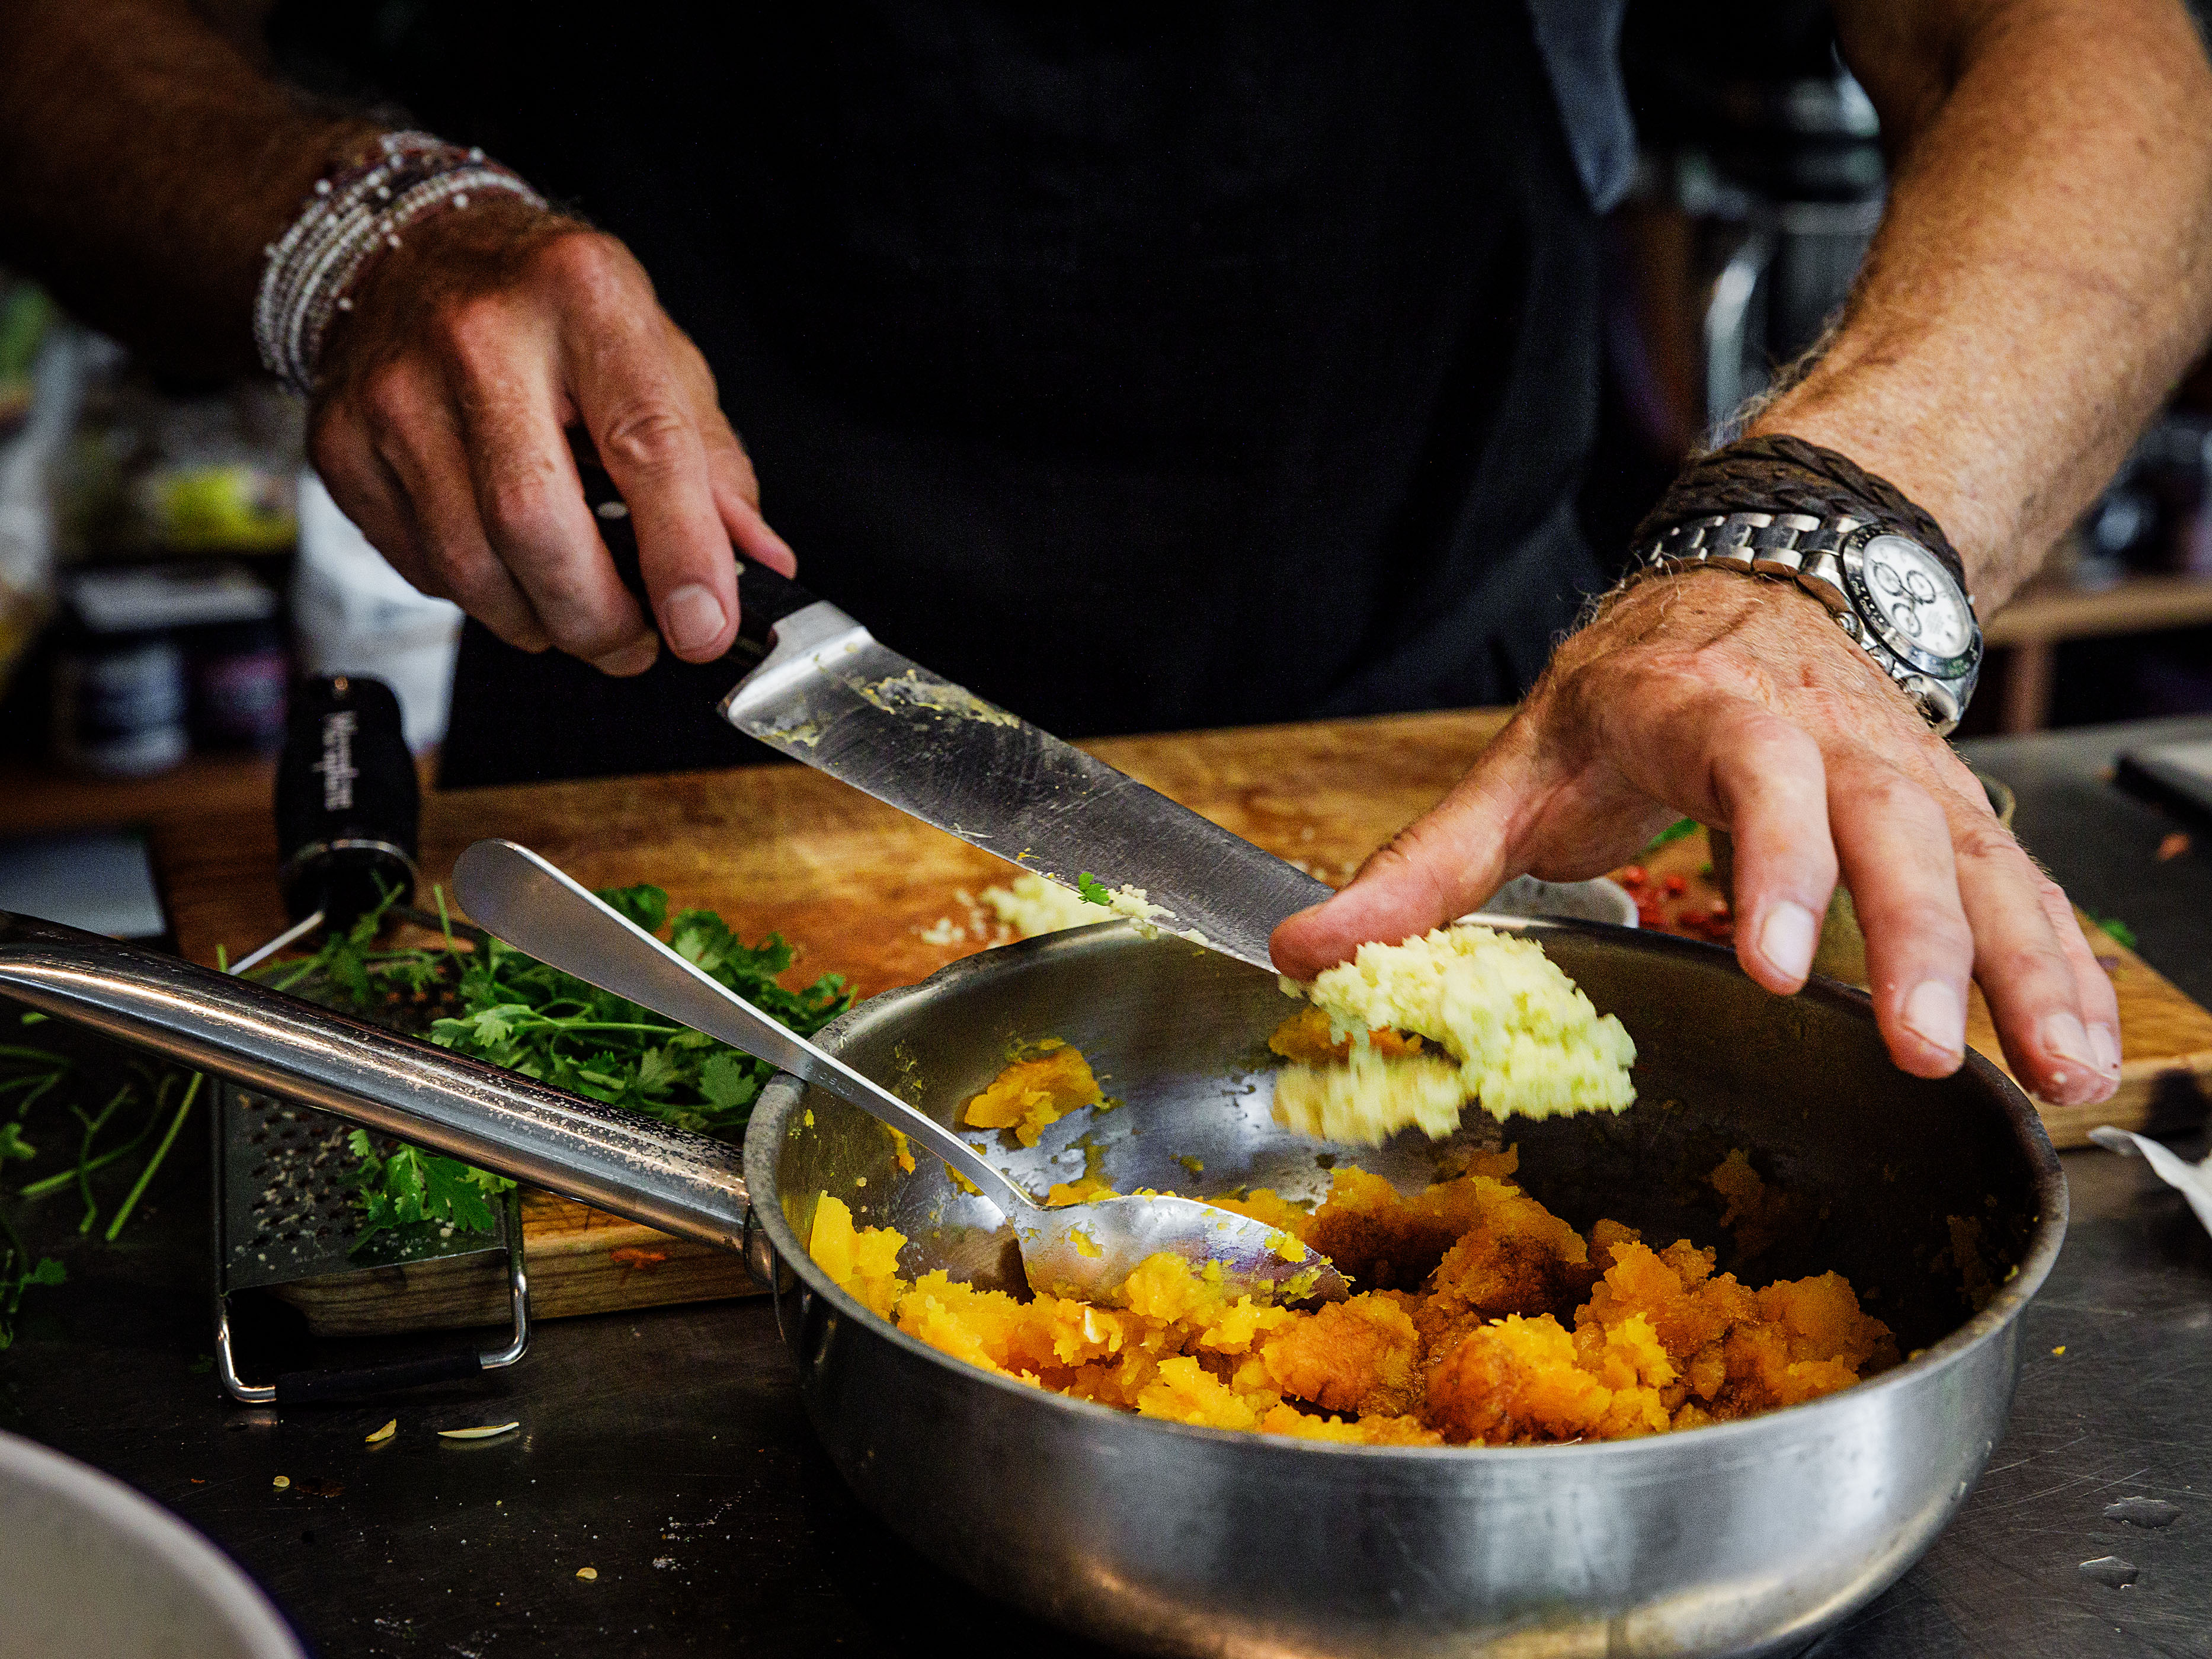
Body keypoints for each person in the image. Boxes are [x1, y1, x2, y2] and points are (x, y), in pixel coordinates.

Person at [4, 1, 2200, 1116]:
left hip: (1463, 709)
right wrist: (343, 236)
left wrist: (1811, 561)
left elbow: (2112, 66)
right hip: (643, 698)